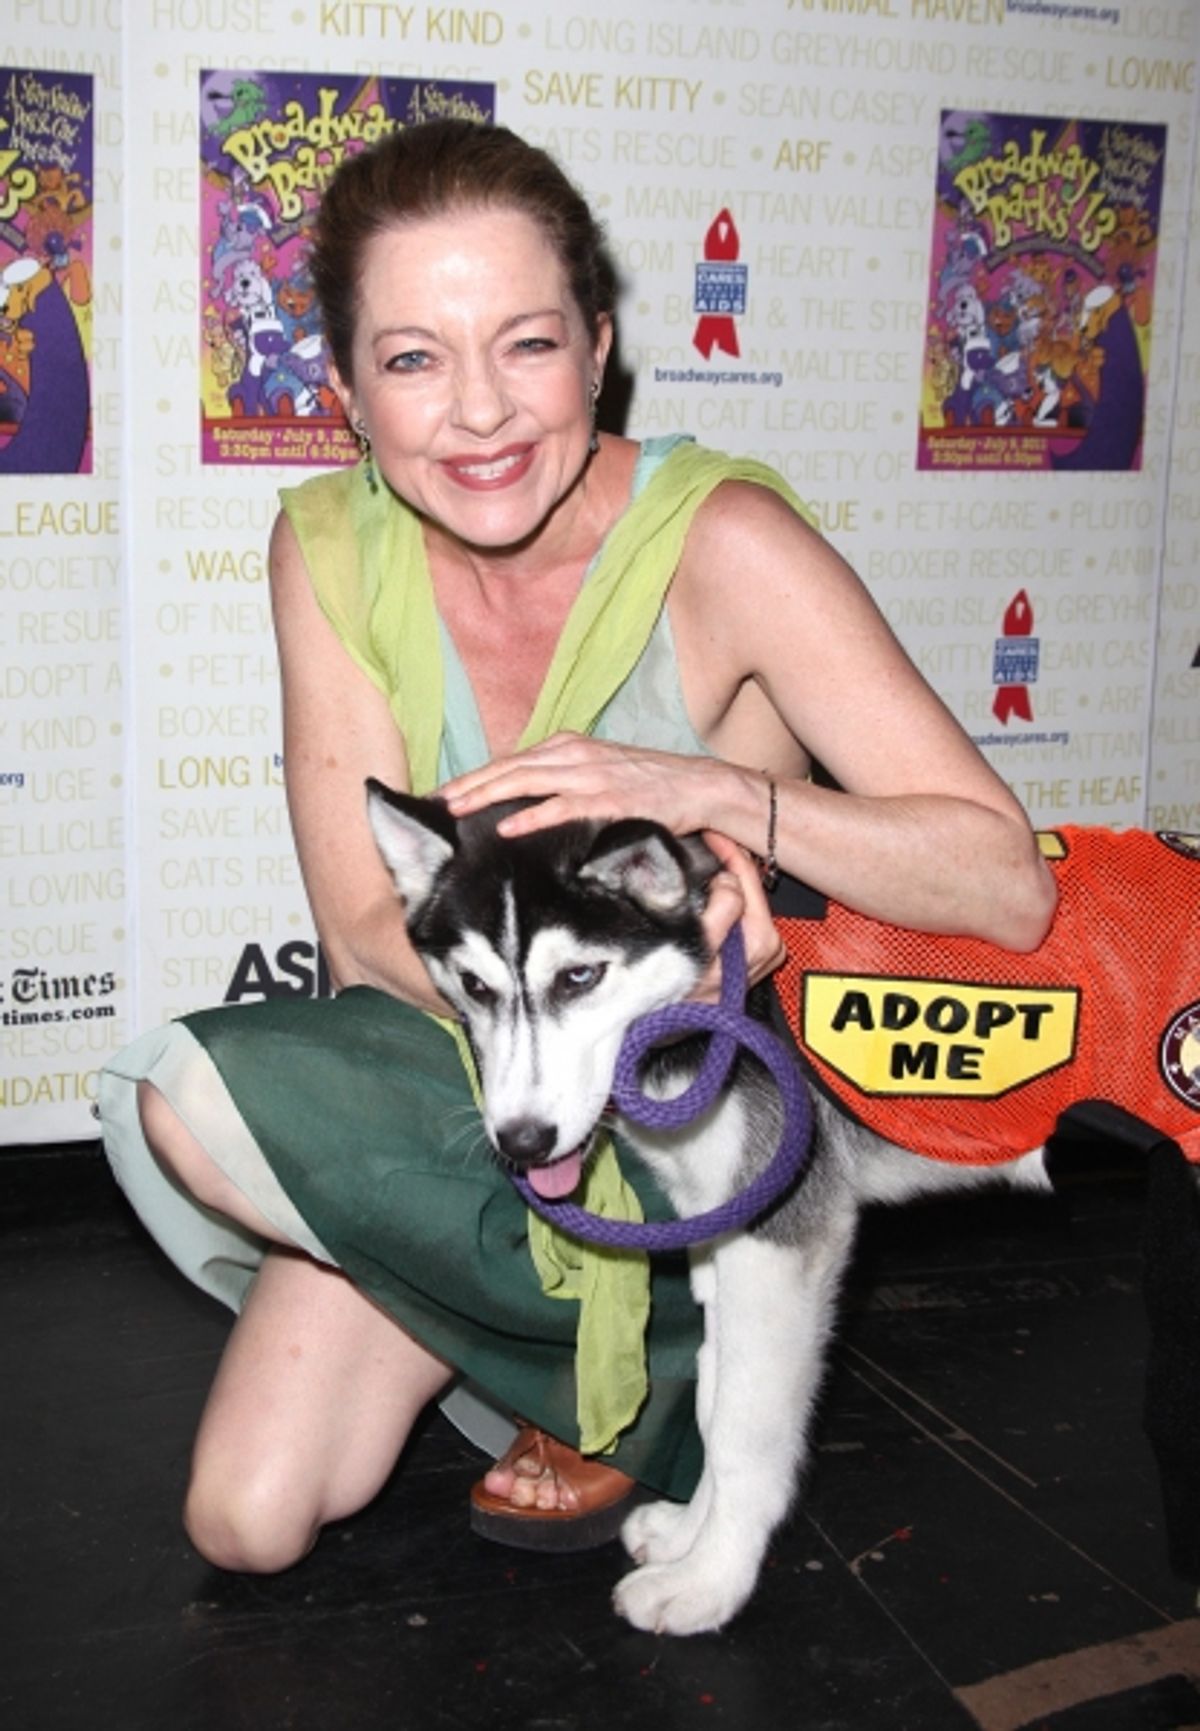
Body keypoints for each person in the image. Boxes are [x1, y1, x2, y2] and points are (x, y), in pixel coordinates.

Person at [98, 119, 1056, 1573]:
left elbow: (1006, 880)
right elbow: (366, 927)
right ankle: (580, 1342)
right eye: (413, 358)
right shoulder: (333, 549)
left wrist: (722, 797)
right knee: (246, 1520)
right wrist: (551, 1034)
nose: (479, 414)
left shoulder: (726, 544)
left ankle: (660, 1343)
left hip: (698, 1109)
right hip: (495, 1078)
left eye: (526, 345)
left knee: (265, 1498)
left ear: (598, 351)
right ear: (349, 394)